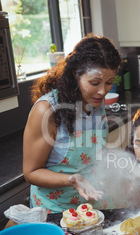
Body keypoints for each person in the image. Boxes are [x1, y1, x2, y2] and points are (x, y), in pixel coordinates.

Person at [23, 34, 122, 213]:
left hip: (94, 199)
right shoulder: (47, 111)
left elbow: (94, 152)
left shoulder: (95, 102)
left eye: (109, 83)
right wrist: (72, 179)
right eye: (95, 82)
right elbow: (31, 172)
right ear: (76, 75)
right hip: (56, 209)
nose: (102, 91)